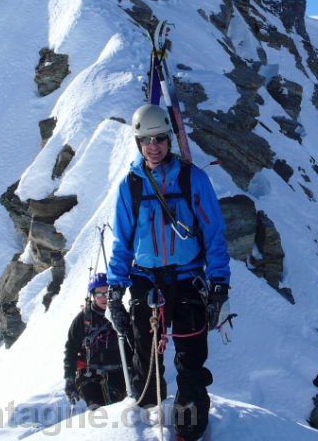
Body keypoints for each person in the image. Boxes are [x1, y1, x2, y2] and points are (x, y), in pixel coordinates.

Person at [106, 105, 231, 441]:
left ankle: (188, 430)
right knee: (146, 360)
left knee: (191, 361)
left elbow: (214, 234)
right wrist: (115, 289)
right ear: (137, 142)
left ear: (169, 139)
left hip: (188, 280)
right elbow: (122, 243)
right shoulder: (130, 187)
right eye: (146, 140)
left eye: (160, 138)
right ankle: (147, 423)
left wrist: (219, 284)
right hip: (146, 281)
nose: (154, 146)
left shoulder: (193, 179)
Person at [63, 273, 129, 409]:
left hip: (120, 373)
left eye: (107, 293)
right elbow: (71, 350)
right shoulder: (83, 320)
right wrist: (70, 381)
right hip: (89, 375)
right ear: (93, 295)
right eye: (99, 294)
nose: (104, 298)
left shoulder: (121, 316)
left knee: (119, 409)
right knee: (98, 410)